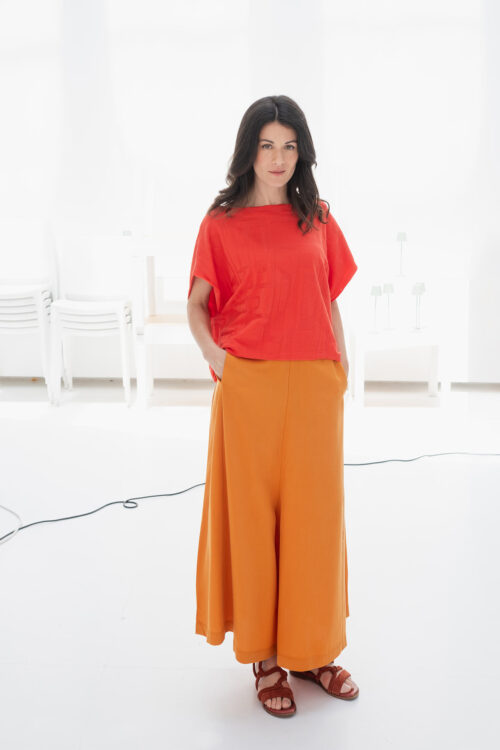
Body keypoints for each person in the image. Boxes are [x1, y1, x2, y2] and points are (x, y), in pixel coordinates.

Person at [186, 95, 359, 717]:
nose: (279, 158)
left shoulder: (318, 217)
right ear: (249, 150)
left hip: (314, 384)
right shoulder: (221, 222)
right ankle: (266, 658)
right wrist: (219, 360)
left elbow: (329, 296)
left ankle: (313, 651)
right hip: (249, 387)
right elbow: (196, 304)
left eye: (289, 146)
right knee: (254, 523)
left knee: (315, 521)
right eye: (267, 145)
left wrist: (341, 368)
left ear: (301, 153)